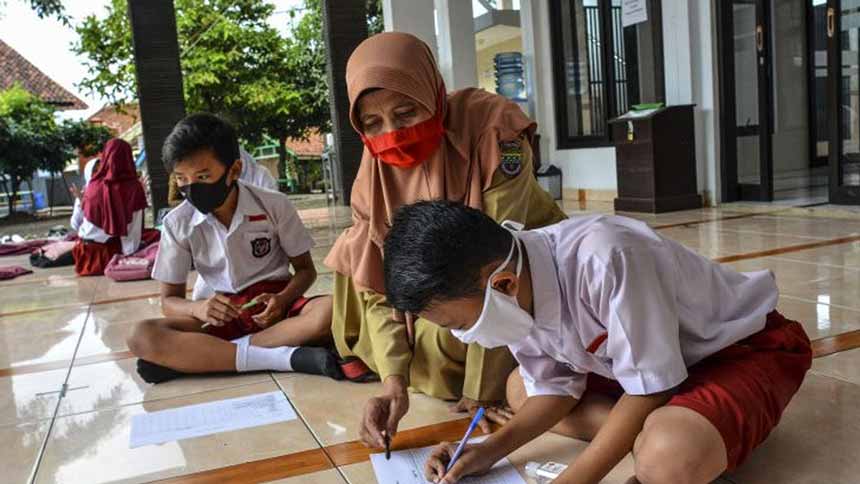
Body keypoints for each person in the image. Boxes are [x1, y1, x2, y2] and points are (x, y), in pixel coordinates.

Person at [382, 201, 812, 484]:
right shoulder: (514, 290)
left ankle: (665, 432)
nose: (463, 336)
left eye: (459, 324)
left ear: (503, 283)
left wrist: (575, 479)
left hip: (737, 352)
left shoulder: (607, 258)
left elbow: (653, 385)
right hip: (645, 371)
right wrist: (486, 451)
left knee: (668, 454)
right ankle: (656, 427)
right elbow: (555, 386)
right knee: (520, 388)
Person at [325, 31, 567, 445]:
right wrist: (393, 382)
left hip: (513, 278)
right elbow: (379, 289)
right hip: (441, 293)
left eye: (405, 114)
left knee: (447, 334)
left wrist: (481, 392)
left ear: (431, 91)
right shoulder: (373, 169)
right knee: (358, 271)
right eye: (373, 124)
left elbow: (501, 263)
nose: (392, 133)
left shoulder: (495, 131)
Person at [127, 113, 342, 384]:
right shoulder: (177, 223)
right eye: (181, 179)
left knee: (332, 310)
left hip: (274, 312)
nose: (192, 188)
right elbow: (169, 302)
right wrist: (199, 309)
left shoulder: (273, 205)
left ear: (235, 170)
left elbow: (305, 271)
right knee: (141, 335)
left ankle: (204, 359)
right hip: (218, 315)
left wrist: (283, 299)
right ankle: (283, 358)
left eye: (203, 176)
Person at [72, 139, 157, 276]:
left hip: (84, 256)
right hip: (108, 257)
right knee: (155, 237)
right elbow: (131, 235)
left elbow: (77, 225)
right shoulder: (133, 188)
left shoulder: (92, 185)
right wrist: (130, 257)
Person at [69, 157, 100, 232]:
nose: (98, 174)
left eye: (101, 170)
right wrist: (81, 201)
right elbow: (75, 225)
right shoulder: (84, 194)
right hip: (90, 240)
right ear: (88, 173)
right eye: (95, 171)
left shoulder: (110, 192)